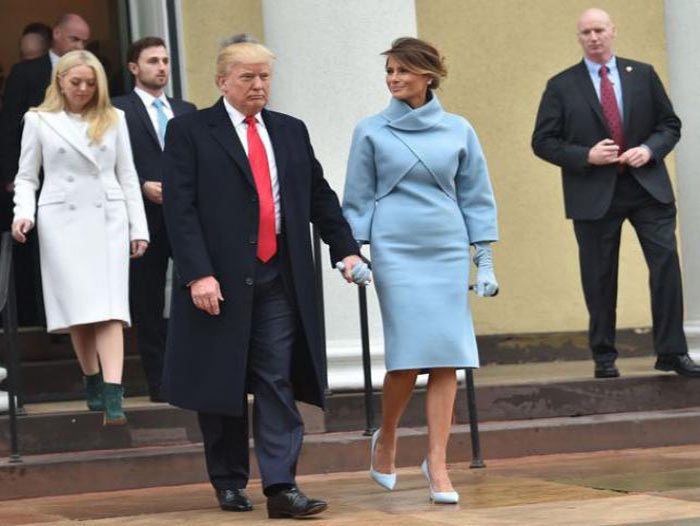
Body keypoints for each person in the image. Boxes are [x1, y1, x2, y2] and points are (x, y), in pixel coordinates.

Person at [161, 40, 367, 518]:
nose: (258, 85)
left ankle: (281, 487)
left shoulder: (290, 131)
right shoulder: (189, 131)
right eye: (247, 77)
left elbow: (318, 195)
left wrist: (346, 249)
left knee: (276, 376)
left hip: (277, 275)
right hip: (219, 279)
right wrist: (198, 274)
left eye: (264, 77)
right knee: (223, 381)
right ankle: (229, 481)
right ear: (222, 81)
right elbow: (180, 209)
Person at [342, 37, 499, 504]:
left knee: (448, 354)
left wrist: (484, 259)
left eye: (402, 71)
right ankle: (387, 436)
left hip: (446, 248)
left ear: (428, 75)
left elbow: (476, 195)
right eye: (389, 71)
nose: (393, 79)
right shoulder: (370, 130)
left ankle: (438, 462)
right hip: (396, 249)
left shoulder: (459, 129)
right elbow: (357, 198)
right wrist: (353, 254)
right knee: (407, 358)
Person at [532, 8, 700, 379]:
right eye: (586, 32)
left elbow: (669, 125)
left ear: (613, 31)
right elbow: (543, 141)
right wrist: (586, 156)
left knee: (665, 266)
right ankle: (604, 357)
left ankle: (672, 352)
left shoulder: (643, 74)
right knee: (599, 276)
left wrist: (650, 149)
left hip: (647, 189)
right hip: (593, 194)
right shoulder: (561, 85)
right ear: (579, 38)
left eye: (599, 30)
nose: (594, 37)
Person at [11, 50, 149, 425]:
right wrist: (23, 213)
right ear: (60, 80)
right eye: (76, 82)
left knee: (110, 309)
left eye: (90, 83)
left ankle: (114, 394)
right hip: (62, 221)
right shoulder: (38, 120)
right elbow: (27, 176)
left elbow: (127, 175)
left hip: (108, 219)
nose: (84, 89)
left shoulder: (114, 118)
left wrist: (139, 228)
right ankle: (92, 379)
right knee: (79, 311)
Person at [112, 37, 196, 402]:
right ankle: (159, 381)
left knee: (199, 287)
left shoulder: (186, 109)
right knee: (146, 299)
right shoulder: (117, 109)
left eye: (164, 60)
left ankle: (197, 372)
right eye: (152, 61)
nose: (161, 67)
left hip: (186, 215)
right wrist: (141, 186)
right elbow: (108, 161)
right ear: (134, 67)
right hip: (142, 218)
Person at [0, 13, 91, 327]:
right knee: (41, 253)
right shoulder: (26, 72)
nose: (80, 47)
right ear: (57, 35)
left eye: (84, 41)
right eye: (74, 39)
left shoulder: (91, 71)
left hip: (82, 183)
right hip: (39, 179)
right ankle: (44, 322)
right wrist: (11, 176)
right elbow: (9, 126)